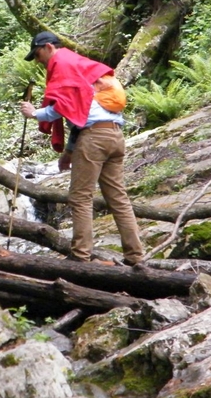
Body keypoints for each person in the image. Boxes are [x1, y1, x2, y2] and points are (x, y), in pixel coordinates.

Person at [20, 31, 143, 266]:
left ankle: (80, 257)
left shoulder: (62, 63)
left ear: (48, 47)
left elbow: (65, 107)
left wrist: (35, 113)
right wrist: (68, 152)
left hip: (94, 138)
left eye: (37, 54)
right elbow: (79, 112)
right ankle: (135, 257)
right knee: (118, 198)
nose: (38, 60)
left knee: (80, 198)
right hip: (114, 135)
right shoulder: (79, 65)